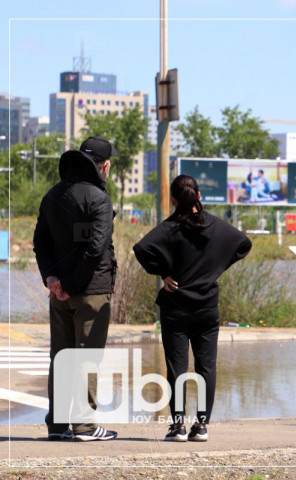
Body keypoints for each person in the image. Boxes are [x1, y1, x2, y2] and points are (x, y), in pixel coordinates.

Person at [132, 175, 252, 442]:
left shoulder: (169, 228)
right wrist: (215, 269)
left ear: (174, 200)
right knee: (206, 367)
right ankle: (202, 427)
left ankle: (179, 427)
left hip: (176, 307)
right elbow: (244, 244)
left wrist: (163, 273)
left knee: (177, 368)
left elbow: (140, 249)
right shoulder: (218, 227)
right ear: (198, 196)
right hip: (207, 307)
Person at [33, 136, 119, 442]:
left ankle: (57, 426)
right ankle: (84, 426)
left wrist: (52, 279)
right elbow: (95, 249)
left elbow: (40, 242)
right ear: (105, 166)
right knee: (86, 357)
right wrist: (69, 284)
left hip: (59, 295)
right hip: (91, 292)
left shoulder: (52, 195)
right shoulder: (99, 199)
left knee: (60, 357)